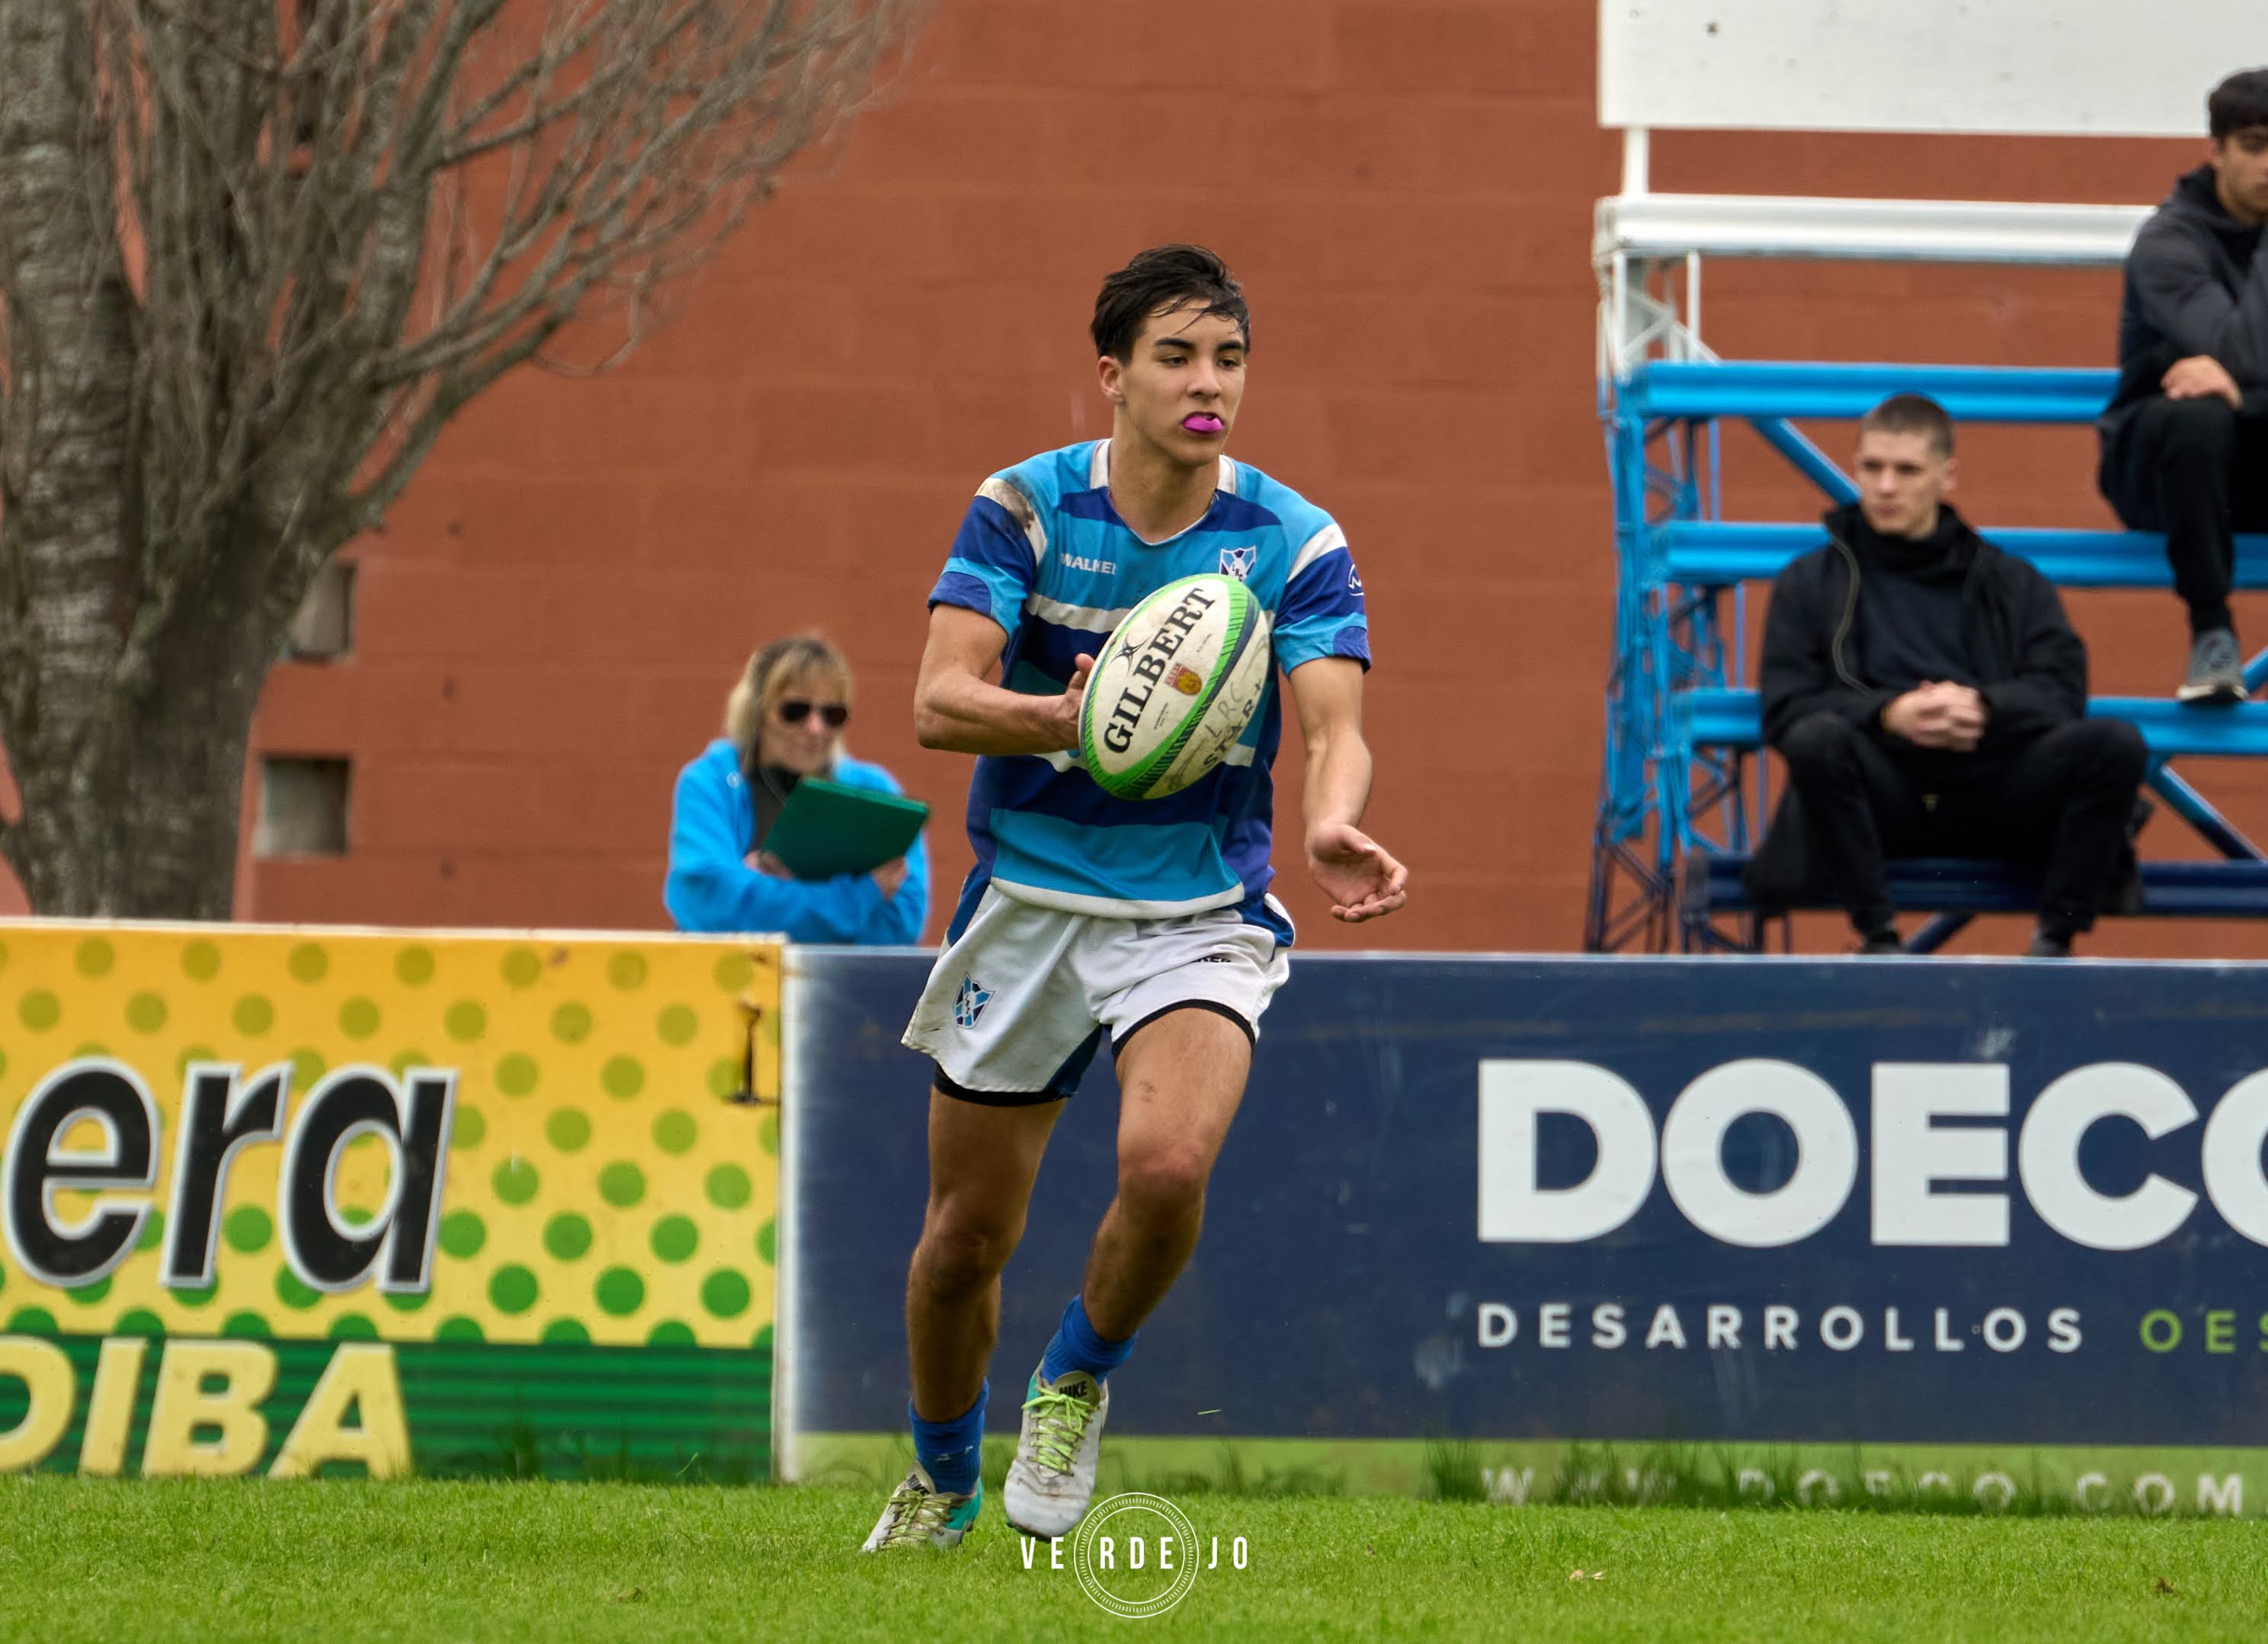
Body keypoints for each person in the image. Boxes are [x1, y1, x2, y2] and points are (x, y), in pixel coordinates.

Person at [860, 245, 1407, 1553]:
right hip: (1030, 904)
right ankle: (942, 1477)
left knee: (1165, 1167)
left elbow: (1335, 726)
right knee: (961, 1242)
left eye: (1229, 359)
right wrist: (1069, 717)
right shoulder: (1024, 508)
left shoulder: (1294, 539)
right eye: (1177, 357)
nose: (1208, 383)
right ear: (1111, 375)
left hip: (1197, 912)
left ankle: (1074, 1380)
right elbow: (937, 701)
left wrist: (1330, 820)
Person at [1749, 395, 2149, 958]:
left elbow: (2062, 690)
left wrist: (1985, 709)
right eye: (1871, 468)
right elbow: (1785, 709)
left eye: (1907, 470)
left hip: (1997, 794)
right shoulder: (1809, 582)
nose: (1885, 487)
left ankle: (2054, 942)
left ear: (1947, 475)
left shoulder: (2009, 579)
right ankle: (1879, 940)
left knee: (2116, 744)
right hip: (1877, 802)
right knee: (1815, 739)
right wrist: (1889, 715)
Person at [2098, 66, 2268, 703]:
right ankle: (2212, 634)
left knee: (2222, 405)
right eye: (2254, 146)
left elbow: (2242, 375)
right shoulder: (2169, 242)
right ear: (2216, 150)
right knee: (2199, 413)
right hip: (2164, 475)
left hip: (2255, 461)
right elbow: (2239, 351)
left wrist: (2248, 396)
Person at [664, 634, 927, 943]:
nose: (816, 728)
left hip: (840, 976)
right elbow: (707, 901)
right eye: (795, 711)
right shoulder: (709, 782)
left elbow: (902, 922)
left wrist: (764, 893)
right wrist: (860, 896)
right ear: (757, 711)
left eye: (832, 714)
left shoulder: (876, 791)